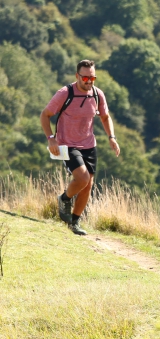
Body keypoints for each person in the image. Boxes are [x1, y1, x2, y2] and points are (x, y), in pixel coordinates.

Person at [40, 59, 120, 235]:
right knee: (82, 178)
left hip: (88, 144)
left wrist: (112, 137)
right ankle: (64, 199)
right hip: (67, 143)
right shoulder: (65, 93)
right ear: (77, 76)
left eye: (92, 78)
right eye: (85, 78)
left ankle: (74, 222)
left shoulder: (97, 94)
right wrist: (51, 138)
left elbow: (105, 117)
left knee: (88, 185)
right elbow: (45, 115)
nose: (89, 82)